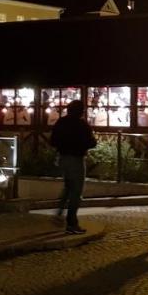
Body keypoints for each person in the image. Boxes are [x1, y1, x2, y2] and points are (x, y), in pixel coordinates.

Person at [50, 100, 97, 234]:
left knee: (68, 187)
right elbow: (92, 142)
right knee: (76, 192)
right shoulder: (82, 125)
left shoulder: (61, 122)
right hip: (76, 159)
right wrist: (81, 144)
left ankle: (59, 214)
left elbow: (53, 140)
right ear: (80, 111)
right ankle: (71, 223)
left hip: (63, 158)